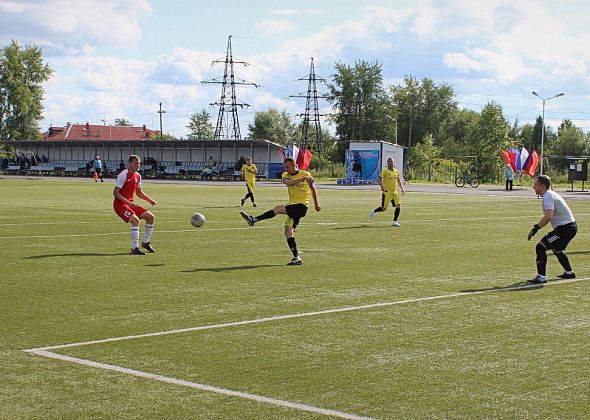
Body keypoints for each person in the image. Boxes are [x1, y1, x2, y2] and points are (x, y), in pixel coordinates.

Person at [240, 157, 321, 265]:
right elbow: (289, 183)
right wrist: (303, 179)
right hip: (292, 206)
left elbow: (313, 189)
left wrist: (316, 205)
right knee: (288, 231)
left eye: (288, 167)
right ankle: (296, 257)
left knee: (278, 208)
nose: (286, 169)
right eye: (285, 167)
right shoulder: (286, 175)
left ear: (294, 165)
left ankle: (254, 219)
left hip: (301, 206)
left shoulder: (304, 173)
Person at [527, 175, 577, 284]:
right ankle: (569, 272)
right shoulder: (550, 194)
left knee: (540, 246)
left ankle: (541, 277)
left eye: (536, 184)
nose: (533, 187)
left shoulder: (547, 196)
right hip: (570, 227)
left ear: (543, 186)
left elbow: (548, 216)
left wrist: (536, 228)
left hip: (565, 229)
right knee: (557, 249)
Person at [113, 155, 157, 255]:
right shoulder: (123, 175)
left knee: (150, 217)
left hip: (130, 204)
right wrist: (128, 202)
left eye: (139, 163)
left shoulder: (138, 176)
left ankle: (145, 243)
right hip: (120, 205)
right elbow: (116, 192)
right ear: (130, 163)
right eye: (136, 163)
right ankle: (134, 248)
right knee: (135, 221)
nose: (138, 165)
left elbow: (139, 192)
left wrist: (150, 200)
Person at [370, 157, 406, 226]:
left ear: (394, 163)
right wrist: (382, 186)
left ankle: (394, 221)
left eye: (391, 161)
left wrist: (402, 188)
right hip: (387, 192)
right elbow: (378, 180)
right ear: (387, 163)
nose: (390, 163)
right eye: (389, 161)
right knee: (384, 208)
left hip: (395, 192)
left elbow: (398, 180)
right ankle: (374, 211)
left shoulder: (397, 171)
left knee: (398, 205)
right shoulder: (385, 171)